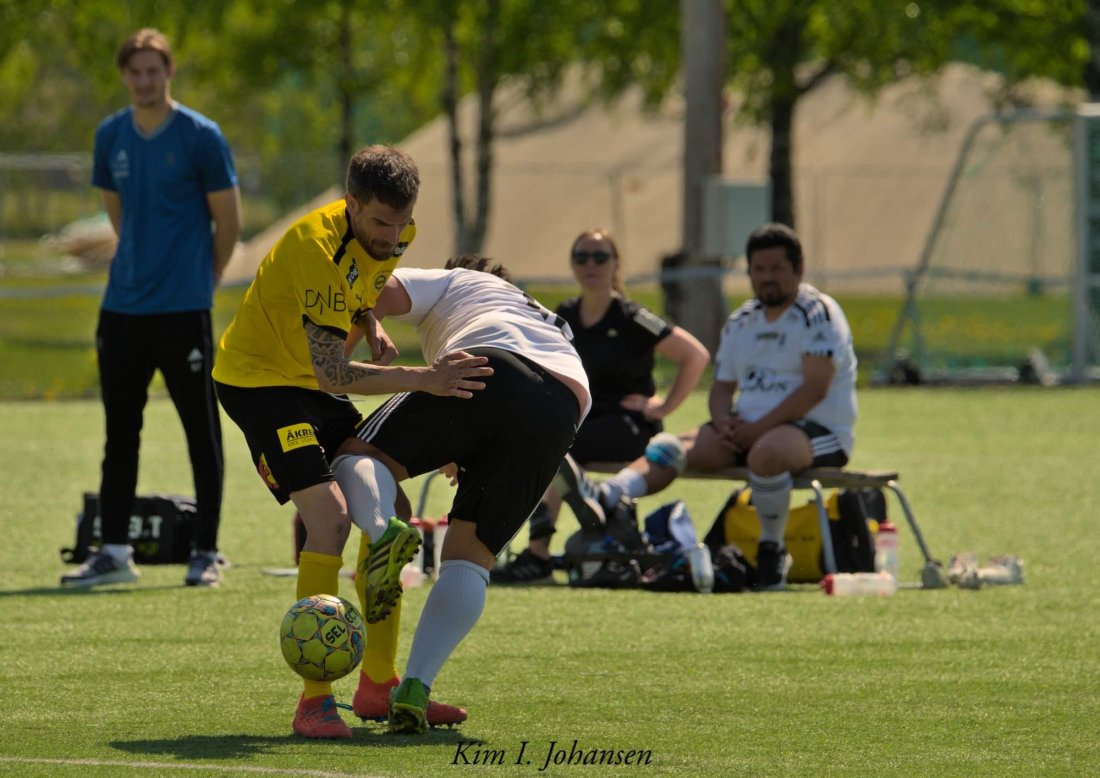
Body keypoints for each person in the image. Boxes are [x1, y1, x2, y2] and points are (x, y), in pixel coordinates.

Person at [212, 146, 493, 739]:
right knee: (332, 518)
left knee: (391, 507)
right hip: (260, 383)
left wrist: (369, 322)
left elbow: (362, 287)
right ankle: (314, 700)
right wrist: (430, 381)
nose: (392, 237)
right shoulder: (315, 248)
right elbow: (332, 376)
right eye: (379, 223)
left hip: (306, 378)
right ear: (351, 204)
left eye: (400, 223)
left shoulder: (396, 232)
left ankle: (378, 685)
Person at [334, 256, 590, 734]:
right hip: (564, 407)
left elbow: (376, 289)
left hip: (490, 361)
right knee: (470, 555)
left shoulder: (461, 280)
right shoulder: (535, 311)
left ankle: (381, 530)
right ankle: (414, 688)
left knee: (353, 454)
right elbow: (521, 399)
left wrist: (353, 342)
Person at [555, 223, 857, 591]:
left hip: (817, 431)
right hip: (745, 431)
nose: (767, 278)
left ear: (799, 269)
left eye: (776, 268)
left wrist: (753, 429)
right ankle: (608, 495)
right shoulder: (743, 320)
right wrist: (722, 420)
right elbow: (722, 387)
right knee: (669, 448)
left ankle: (772, 552)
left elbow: (814, 389)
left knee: (767, 454)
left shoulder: (818, 312)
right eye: (759, 270)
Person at [61, 29, 242, 589]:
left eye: (153, 71)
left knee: (200, 431)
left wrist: (204, 278)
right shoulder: (110, 136)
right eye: (135, 72)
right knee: (121, 432)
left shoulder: (200, 136)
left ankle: (206, 551)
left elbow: (228, 221)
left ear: (169, 73)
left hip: (184, 308)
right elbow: (118, 216)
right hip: (122, 310)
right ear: (124, 76)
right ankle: (114, 552)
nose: (145, 80)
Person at [490, 228, 708, 584]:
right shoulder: (565, 313)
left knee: (554, 446)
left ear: (616, 264)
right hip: (582, 422)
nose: (591, 264)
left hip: (627, 425)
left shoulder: (631, 316)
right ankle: (560, 536)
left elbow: (695, 356)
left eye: (600, 256)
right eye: (582, 257)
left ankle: (541, 552)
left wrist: (663, 407)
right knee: (549, 444)